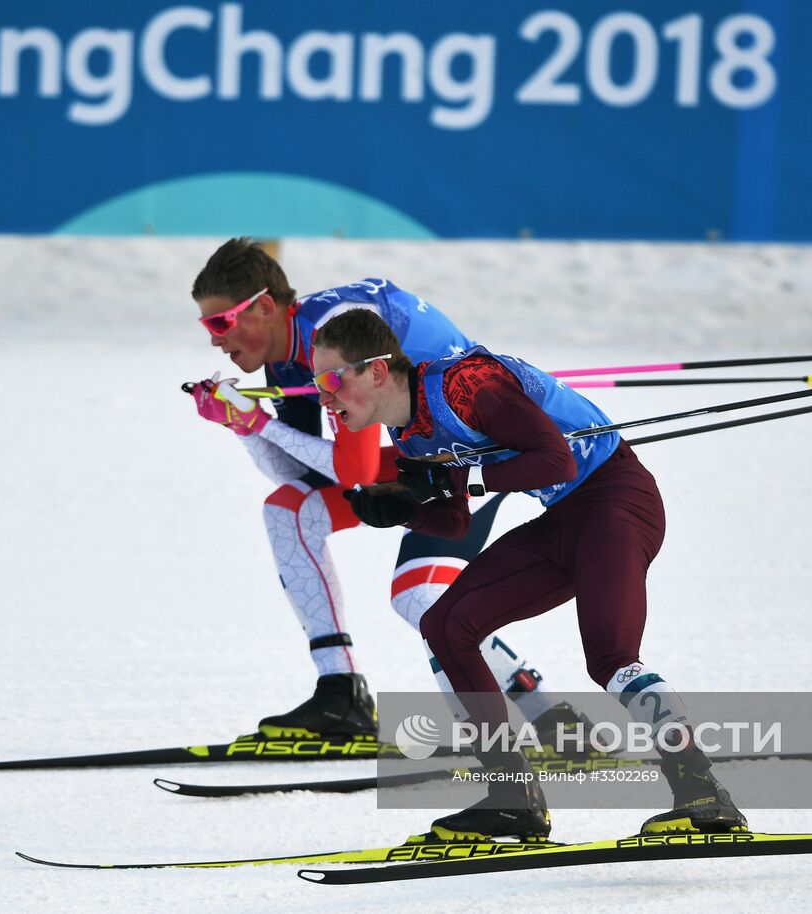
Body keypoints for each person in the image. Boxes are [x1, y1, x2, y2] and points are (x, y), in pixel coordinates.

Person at [308, 307, 748, 840]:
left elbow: (557, 460)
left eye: (332, 380)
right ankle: (512, 794)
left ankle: (703, 792)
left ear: (377, 370)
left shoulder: (465, 384)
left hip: (617, 501)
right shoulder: (408, 436)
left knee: (609, 656)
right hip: (564, 520)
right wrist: (404, 508)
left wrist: (463, 479)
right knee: (447, 624)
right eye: (317, 384)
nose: (323, 397)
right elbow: (452, 522)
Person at [188, 238, 579, 742]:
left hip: (471, 453)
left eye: (221, 323)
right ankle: (341, 693)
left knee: (419, 594)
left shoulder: (332, 342)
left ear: (264, 307)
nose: (216, 341)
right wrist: (243, 426)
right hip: (416, 453)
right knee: (290, 510)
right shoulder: (289, 356)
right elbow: (299, 473)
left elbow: (352, 471)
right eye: (206, 327)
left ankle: (548, 717)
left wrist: (258, 421)